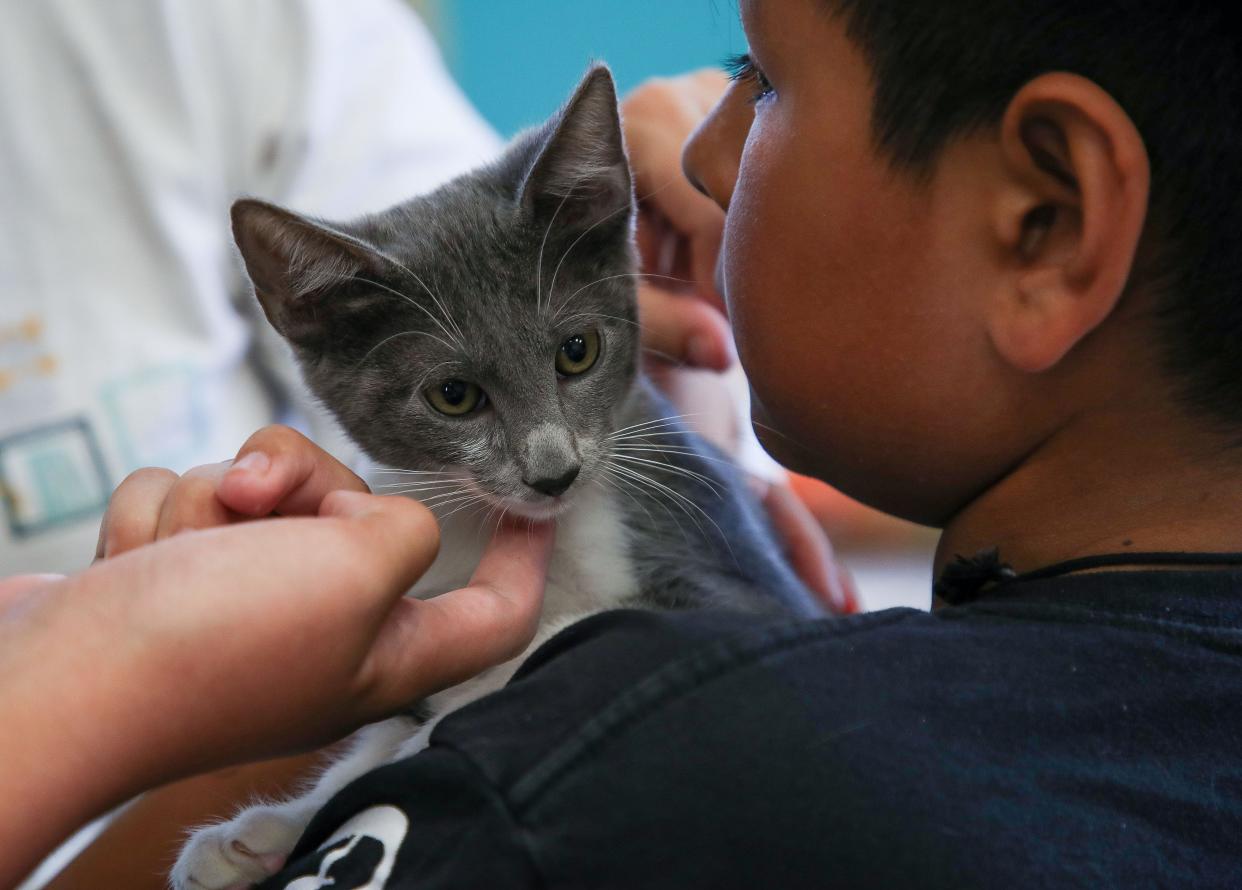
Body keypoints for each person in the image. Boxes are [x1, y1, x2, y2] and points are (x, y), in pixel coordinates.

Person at [7, 0, 1241, 886]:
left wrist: (100, 680)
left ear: (1047, 220)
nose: (700, 145)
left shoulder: (562, 796)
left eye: (757, 81)